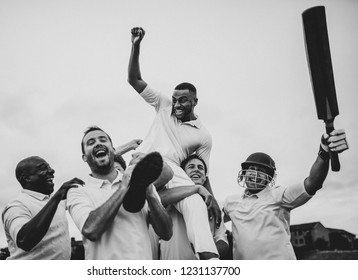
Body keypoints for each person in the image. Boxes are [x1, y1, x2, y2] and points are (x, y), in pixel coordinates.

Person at [128, 26, 219, 259]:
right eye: (176, 99)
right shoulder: (164, 104)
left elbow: (202, 173)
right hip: (147, 160)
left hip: (174, 170)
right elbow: (134, 79)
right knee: (144, 213)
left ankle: (209, 256)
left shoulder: (203, 135)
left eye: (184, 101)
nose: (177, 104)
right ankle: (137, 188)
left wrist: (212, 198)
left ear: (195, 102)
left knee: (196, 202)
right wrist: (136, 45)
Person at [222, 129, 349, 260]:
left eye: (260, 170)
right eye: (251, 169)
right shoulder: (230, 202)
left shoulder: (278, 195)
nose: (254, 174)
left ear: (269, 178)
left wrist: (323, 151)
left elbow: (313, 182)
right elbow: (207, 217)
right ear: (244, 173)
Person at [66, 126, 173, 260]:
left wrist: (150, 194)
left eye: (103, 140)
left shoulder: (141, 182)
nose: (98, 143)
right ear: (84, 157)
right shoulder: (78, 190)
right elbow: (90, 230)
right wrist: (123, 188)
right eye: (91, 142)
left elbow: (167, 233)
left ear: (114, 150)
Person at [2, 156, 83, 259]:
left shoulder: (55, 201)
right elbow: (24, 241)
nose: (52, 171)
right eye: (43, 168)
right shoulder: (16, 206)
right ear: (27, 178)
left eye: (49, 167)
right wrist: (57, 196)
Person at [158, 154, 230, 259]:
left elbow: (222, 240)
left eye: (200, 168)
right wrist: (197, 188)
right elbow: (160, 198)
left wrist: (209, 254)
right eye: (191, 167)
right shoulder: (171, 194)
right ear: (182, 173)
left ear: (205, 177)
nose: (196, 170)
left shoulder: (215, 206)